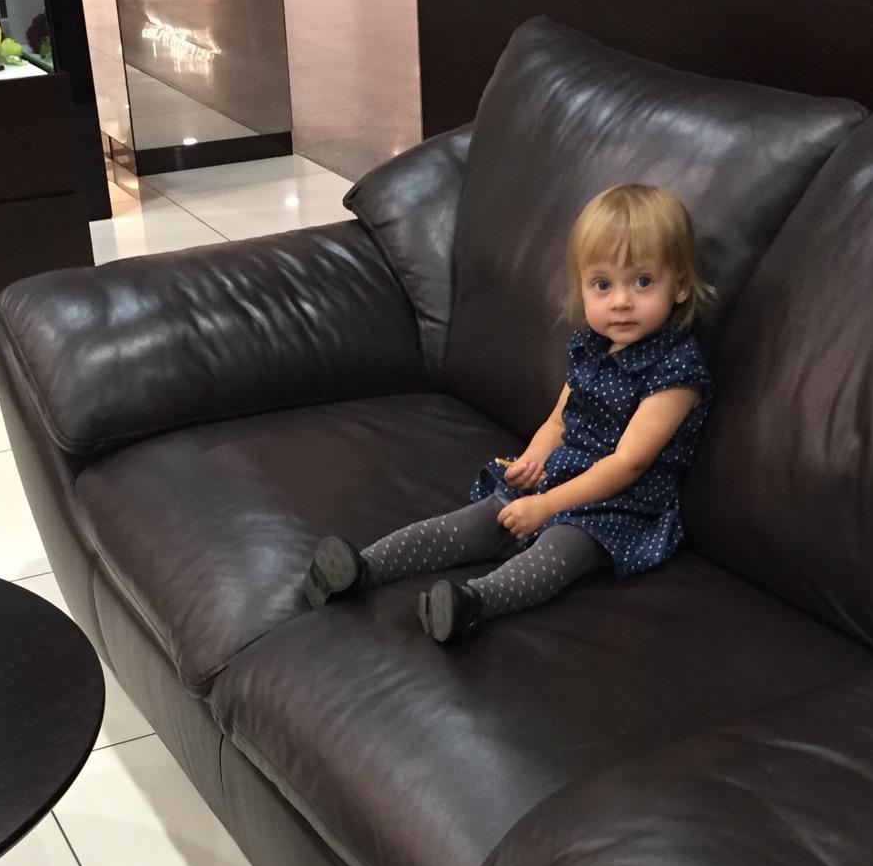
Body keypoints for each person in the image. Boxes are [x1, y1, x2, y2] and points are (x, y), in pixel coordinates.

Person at [304, 183, 717, 642]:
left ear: (680, 284)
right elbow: (559, 422)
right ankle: (363, 568)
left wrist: (546, 506)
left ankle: (473, 603)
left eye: (643, 282)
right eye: (603, 284)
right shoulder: (592, 347)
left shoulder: (676, 370)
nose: (621, 301)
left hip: (621, 506)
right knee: (479, 519)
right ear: (582, 288)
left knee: (559, 550)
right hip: (559, 478)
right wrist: (532, 464)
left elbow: (629, 463)